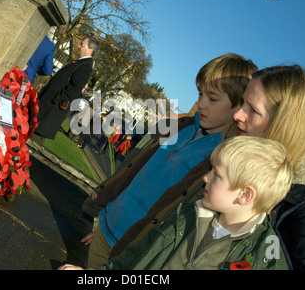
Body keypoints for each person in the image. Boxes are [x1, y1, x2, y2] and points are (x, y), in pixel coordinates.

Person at [81, 53, 258, 268]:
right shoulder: (180, 126)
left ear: (239, 106)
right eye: (200, 94)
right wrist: (103, 227)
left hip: (134, 254)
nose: (200, 104)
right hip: (106, 230)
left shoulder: (224, 158)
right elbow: (135, 173)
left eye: (212, 98)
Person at [60, 136, 293, 270]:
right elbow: (133, 260)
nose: (206, 177)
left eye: (217, 174)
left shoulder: (267, 259)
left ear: (245, 195)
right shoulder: (186, 212)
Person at [233, 65, 305, 269]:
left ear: (284, 123)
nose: (238, 115)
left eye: (253, 109)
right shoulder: (251, 154)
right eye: (242, 103)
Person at [34, 36, 100, 140]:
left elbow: (74, 89)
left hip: (51, 109)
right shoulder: (81, 63)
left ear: (90, 50)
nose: (78, 46)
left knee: (35, 137)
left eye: (82, 45)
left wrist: (57, 98)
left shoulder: (85, 66)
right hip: (50, 104)